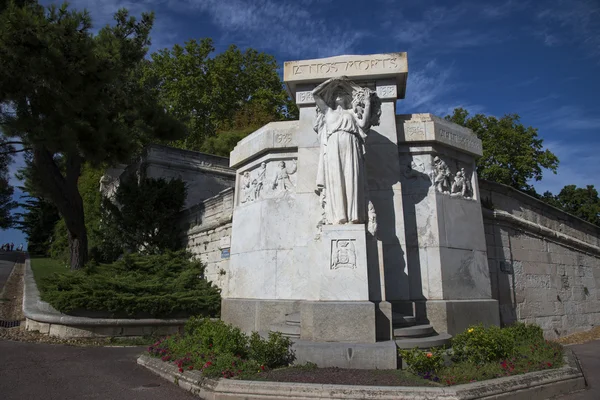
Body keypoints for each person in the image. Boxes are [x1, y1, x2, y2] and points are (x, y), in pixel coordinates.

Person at [312, 76, 381, 225]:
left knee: (352, 179)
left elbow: (363, 125)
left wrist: (368, 103)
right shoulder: (328, 112)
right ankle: (338, 216)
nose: (338, 95)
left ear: (346, 98)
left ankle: (354, 215)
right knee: (335, 180)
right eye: (336, 93)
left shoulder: (351, 113)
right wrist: (331, 82)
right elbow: (315, 94)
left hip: (351, 144)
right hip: (333, 145)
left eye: (341, 93)